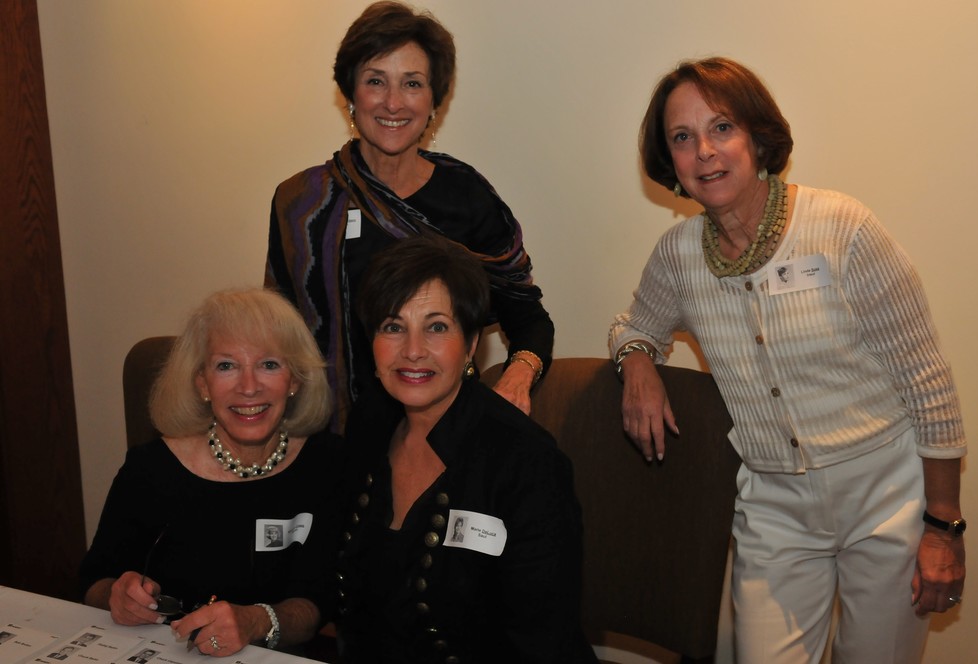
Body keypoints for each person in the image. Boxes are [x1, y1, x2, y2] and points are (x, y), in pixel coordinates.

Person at [609, 57, 966, 663]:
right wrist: (638, 364)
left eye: (722, 127)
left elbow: (927, 381)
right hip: (774, 508)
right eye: (682, 137)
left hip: (887, 499)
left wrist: (943, 526)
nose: (704, 152)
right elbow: (634, 326)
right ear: (670, 160)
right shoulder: (678, 256)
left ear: (758, 136)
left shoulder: (842, 227)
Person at [265, 1, 554, 433]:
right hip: (328, 436)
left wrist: (517, 377)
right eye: (375, 81)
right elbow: (275, 333)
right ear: (350, 93)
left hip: (446, 433)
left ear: (434, 100)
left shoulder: (468, 197)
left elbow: (529, 319)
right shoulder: (301, 202)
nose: (393, 102)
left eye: (412, 83)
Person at [333, 236, 597, 663]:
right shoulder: (368, 424)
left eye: (437, 327)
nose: (413, 351)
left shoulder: (527, 462)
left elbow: (543, 641)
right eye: (393, 327)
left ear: (471, 343)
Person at [80, 288, 342, 657]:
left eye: (269, 364)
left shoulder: (327, 464)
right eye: (226, 366)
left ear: (295, 381)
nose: (248, 388)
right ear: (202, 383)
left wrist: (257, 621)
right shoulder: (150, 468)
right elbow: (93, 580)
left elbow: (319, 600)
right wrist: (117, 595)